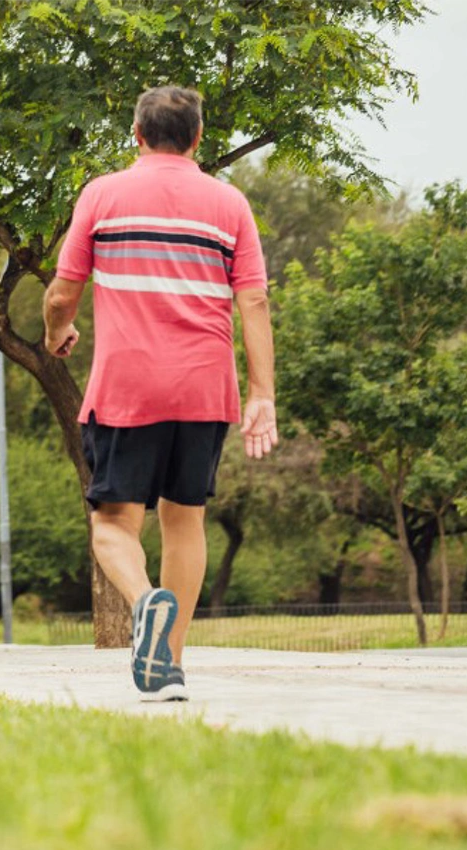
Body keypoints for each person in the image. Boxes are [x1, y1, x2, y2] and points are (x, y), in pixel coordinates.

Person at [41, 86, 278, 702]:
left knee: (113, 525)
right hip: (205, 388)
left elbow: (62, 293)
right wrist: (263, 395)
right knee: (185, 521)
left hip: (128, 386)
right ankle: (167, 667)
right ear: (198, 138)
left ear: (138, 135)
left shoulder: (103, 194)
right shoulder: (229, 203)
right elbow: (252, 299)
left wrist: (56, 330)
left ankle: (147, 605)